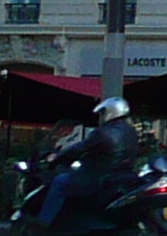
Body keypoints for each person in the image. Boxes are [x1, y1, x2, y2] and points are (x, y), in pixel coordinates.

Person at [33, 97, 140, 228]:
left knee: (59, 183)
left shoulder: (103, 132)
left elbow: (79, 148)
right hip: (120, 176)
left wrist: (57, 157)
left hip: (98, 176)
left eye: (102, 113)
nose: (101, 117)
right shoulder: (131, 132)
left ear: (110, 112)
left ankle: (43, 223)